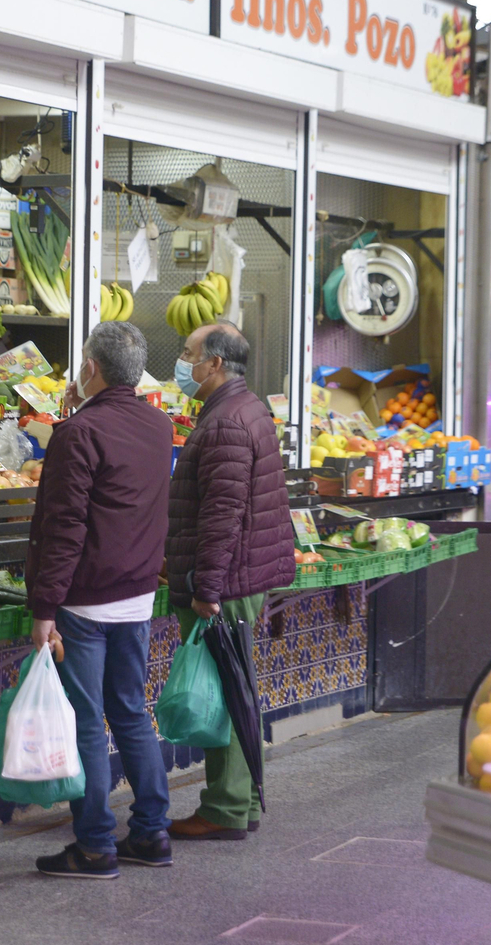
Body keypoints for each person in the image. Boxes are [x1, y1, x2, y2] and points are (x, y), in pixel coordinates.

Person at [25, 321, 174, 879]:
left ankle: (93, 845)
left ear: (90, 368)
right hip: (137, 598)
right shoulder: (159, 426)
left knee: (88, 723)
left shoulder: (79, 434)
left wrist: (44, 610)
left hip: (84, 604)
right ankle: (153, 833)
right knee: (131, 714)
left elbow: (65, 529)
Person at [164, 322, 296, 841]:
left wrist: (207, 590)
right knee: (235, 689)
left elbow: (222, 514)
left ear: (215, 363)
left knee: (223, 693)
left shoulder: (226, 424)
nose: (183, 362)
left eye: (189, 354)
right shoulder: (246, 409)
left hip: (228, 579)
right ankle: (239, 803)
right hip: (239, 575)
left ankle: (225, 807)